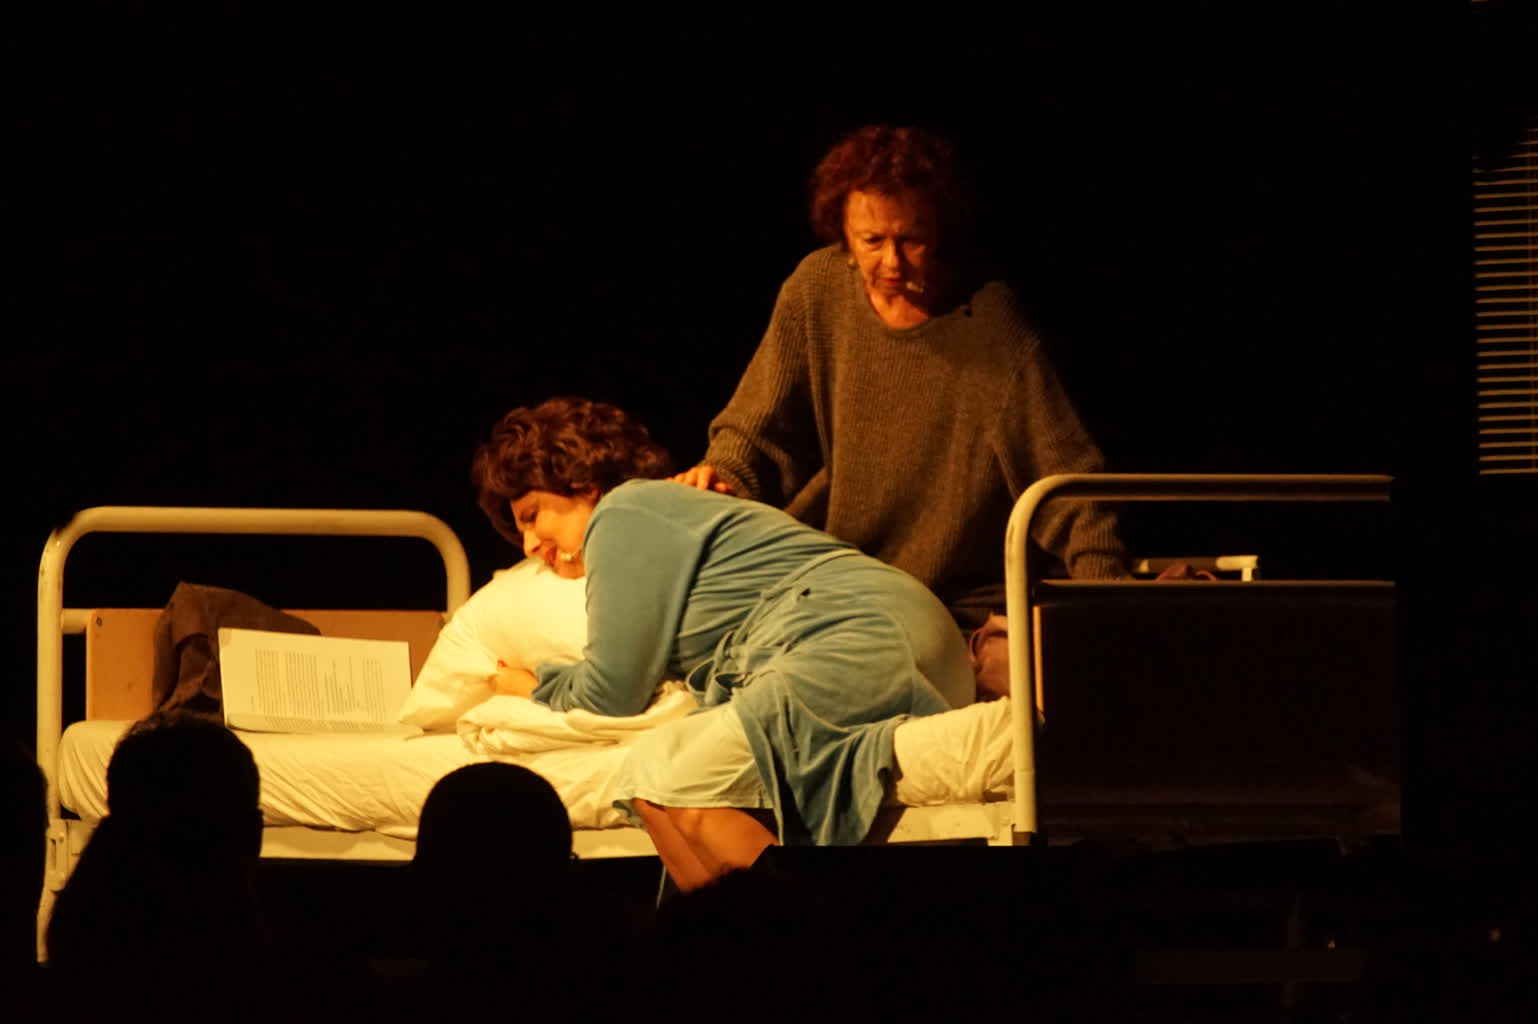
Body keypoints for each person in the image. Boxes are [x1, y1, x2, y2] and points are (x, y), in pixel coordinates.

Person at [473, 397, 975, 891]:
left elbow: (613, 688)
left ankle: (811, 936)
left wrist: (533, 685)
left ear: (581, 482)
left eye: (532, 515)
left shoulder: (623, 512)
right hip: (879, 641)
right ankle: (722, 938)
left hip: (863, 631)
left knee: (687, 779)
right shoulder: (652, 519)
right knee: (647, 781)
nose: (530, 545)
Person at [674, 123, 1128, 632]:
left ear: (940, 230)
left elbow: (1065, 480)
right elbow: (758, 425)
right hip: (837, 588)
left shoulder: (990, 323)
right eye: (872, 241)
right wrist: (722, 474)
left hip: (954, 607)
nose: (892, 262)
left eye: (912, 241)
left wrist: (1107, 600)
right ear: (842, 231)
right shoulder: (817, 290)